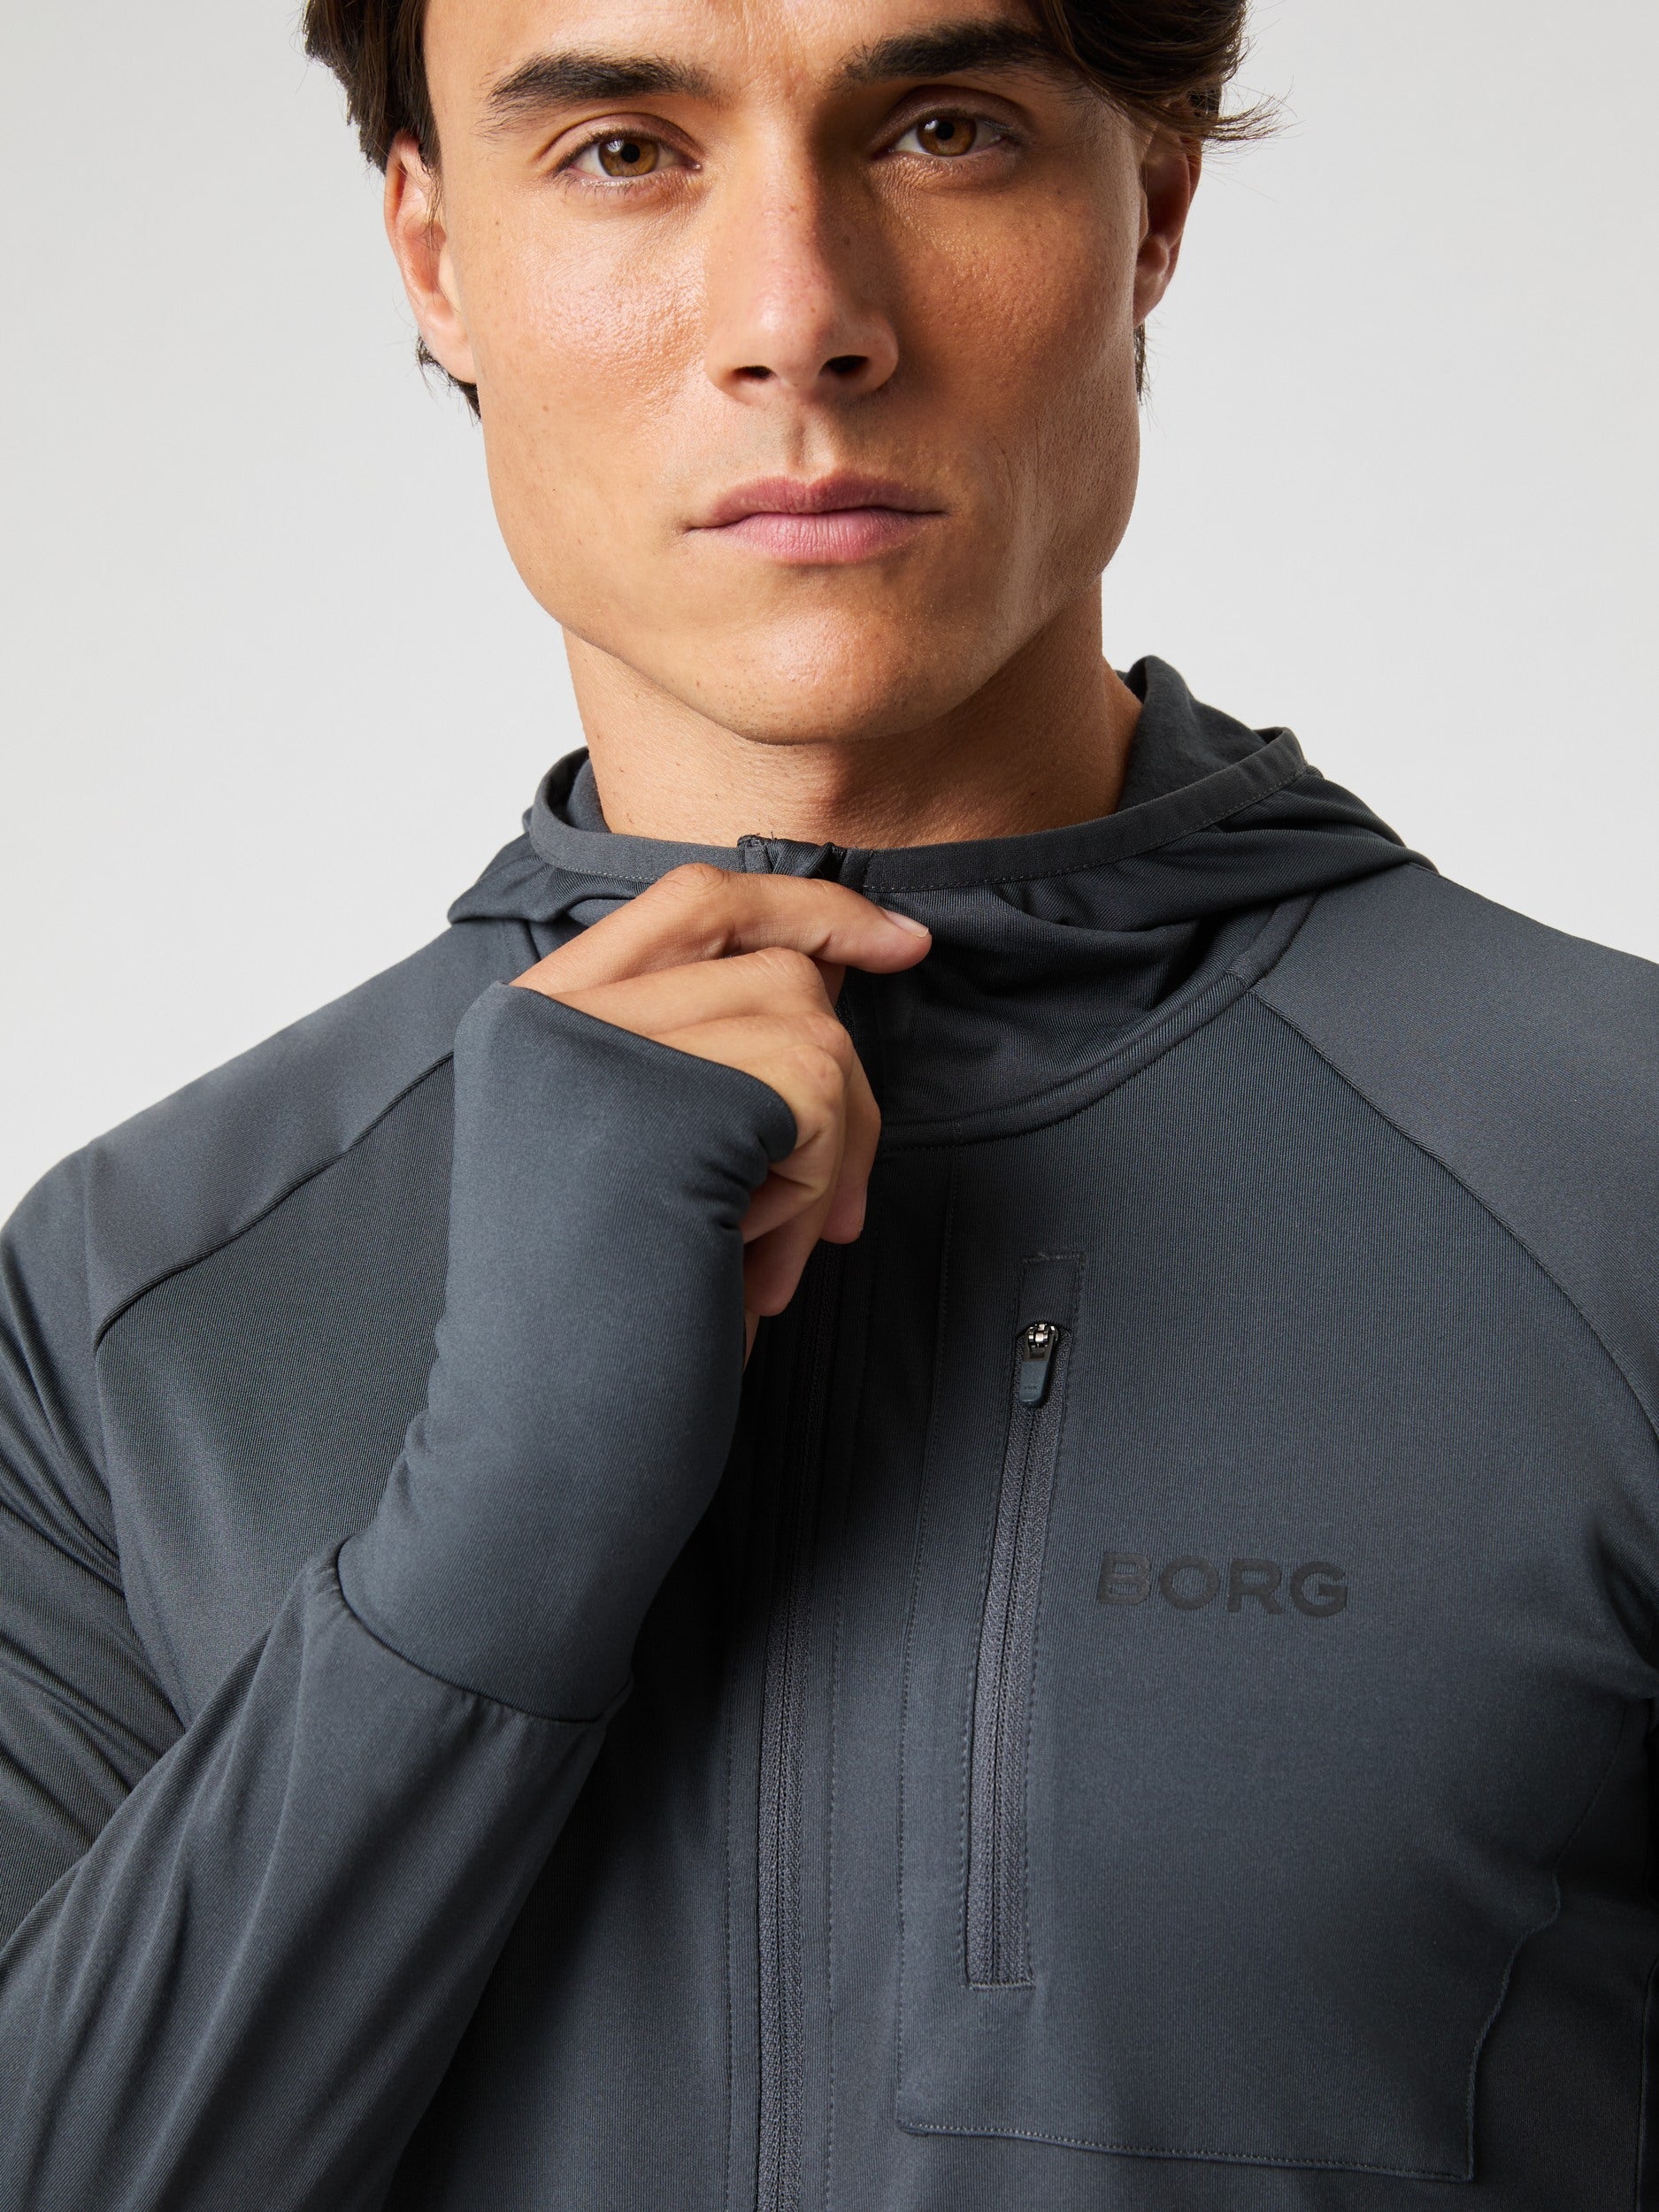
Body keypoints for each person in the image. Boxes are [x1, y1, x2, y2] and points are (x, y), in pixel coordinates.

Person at [1, 0, 1655, 2204]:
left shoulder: (1614, 1185)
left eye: (943, 128)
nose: (798, 317)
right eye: (622, 149)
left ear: (1150, 206)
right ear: (436, 256)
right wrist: (500, 1526)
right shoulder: (124, 1300)